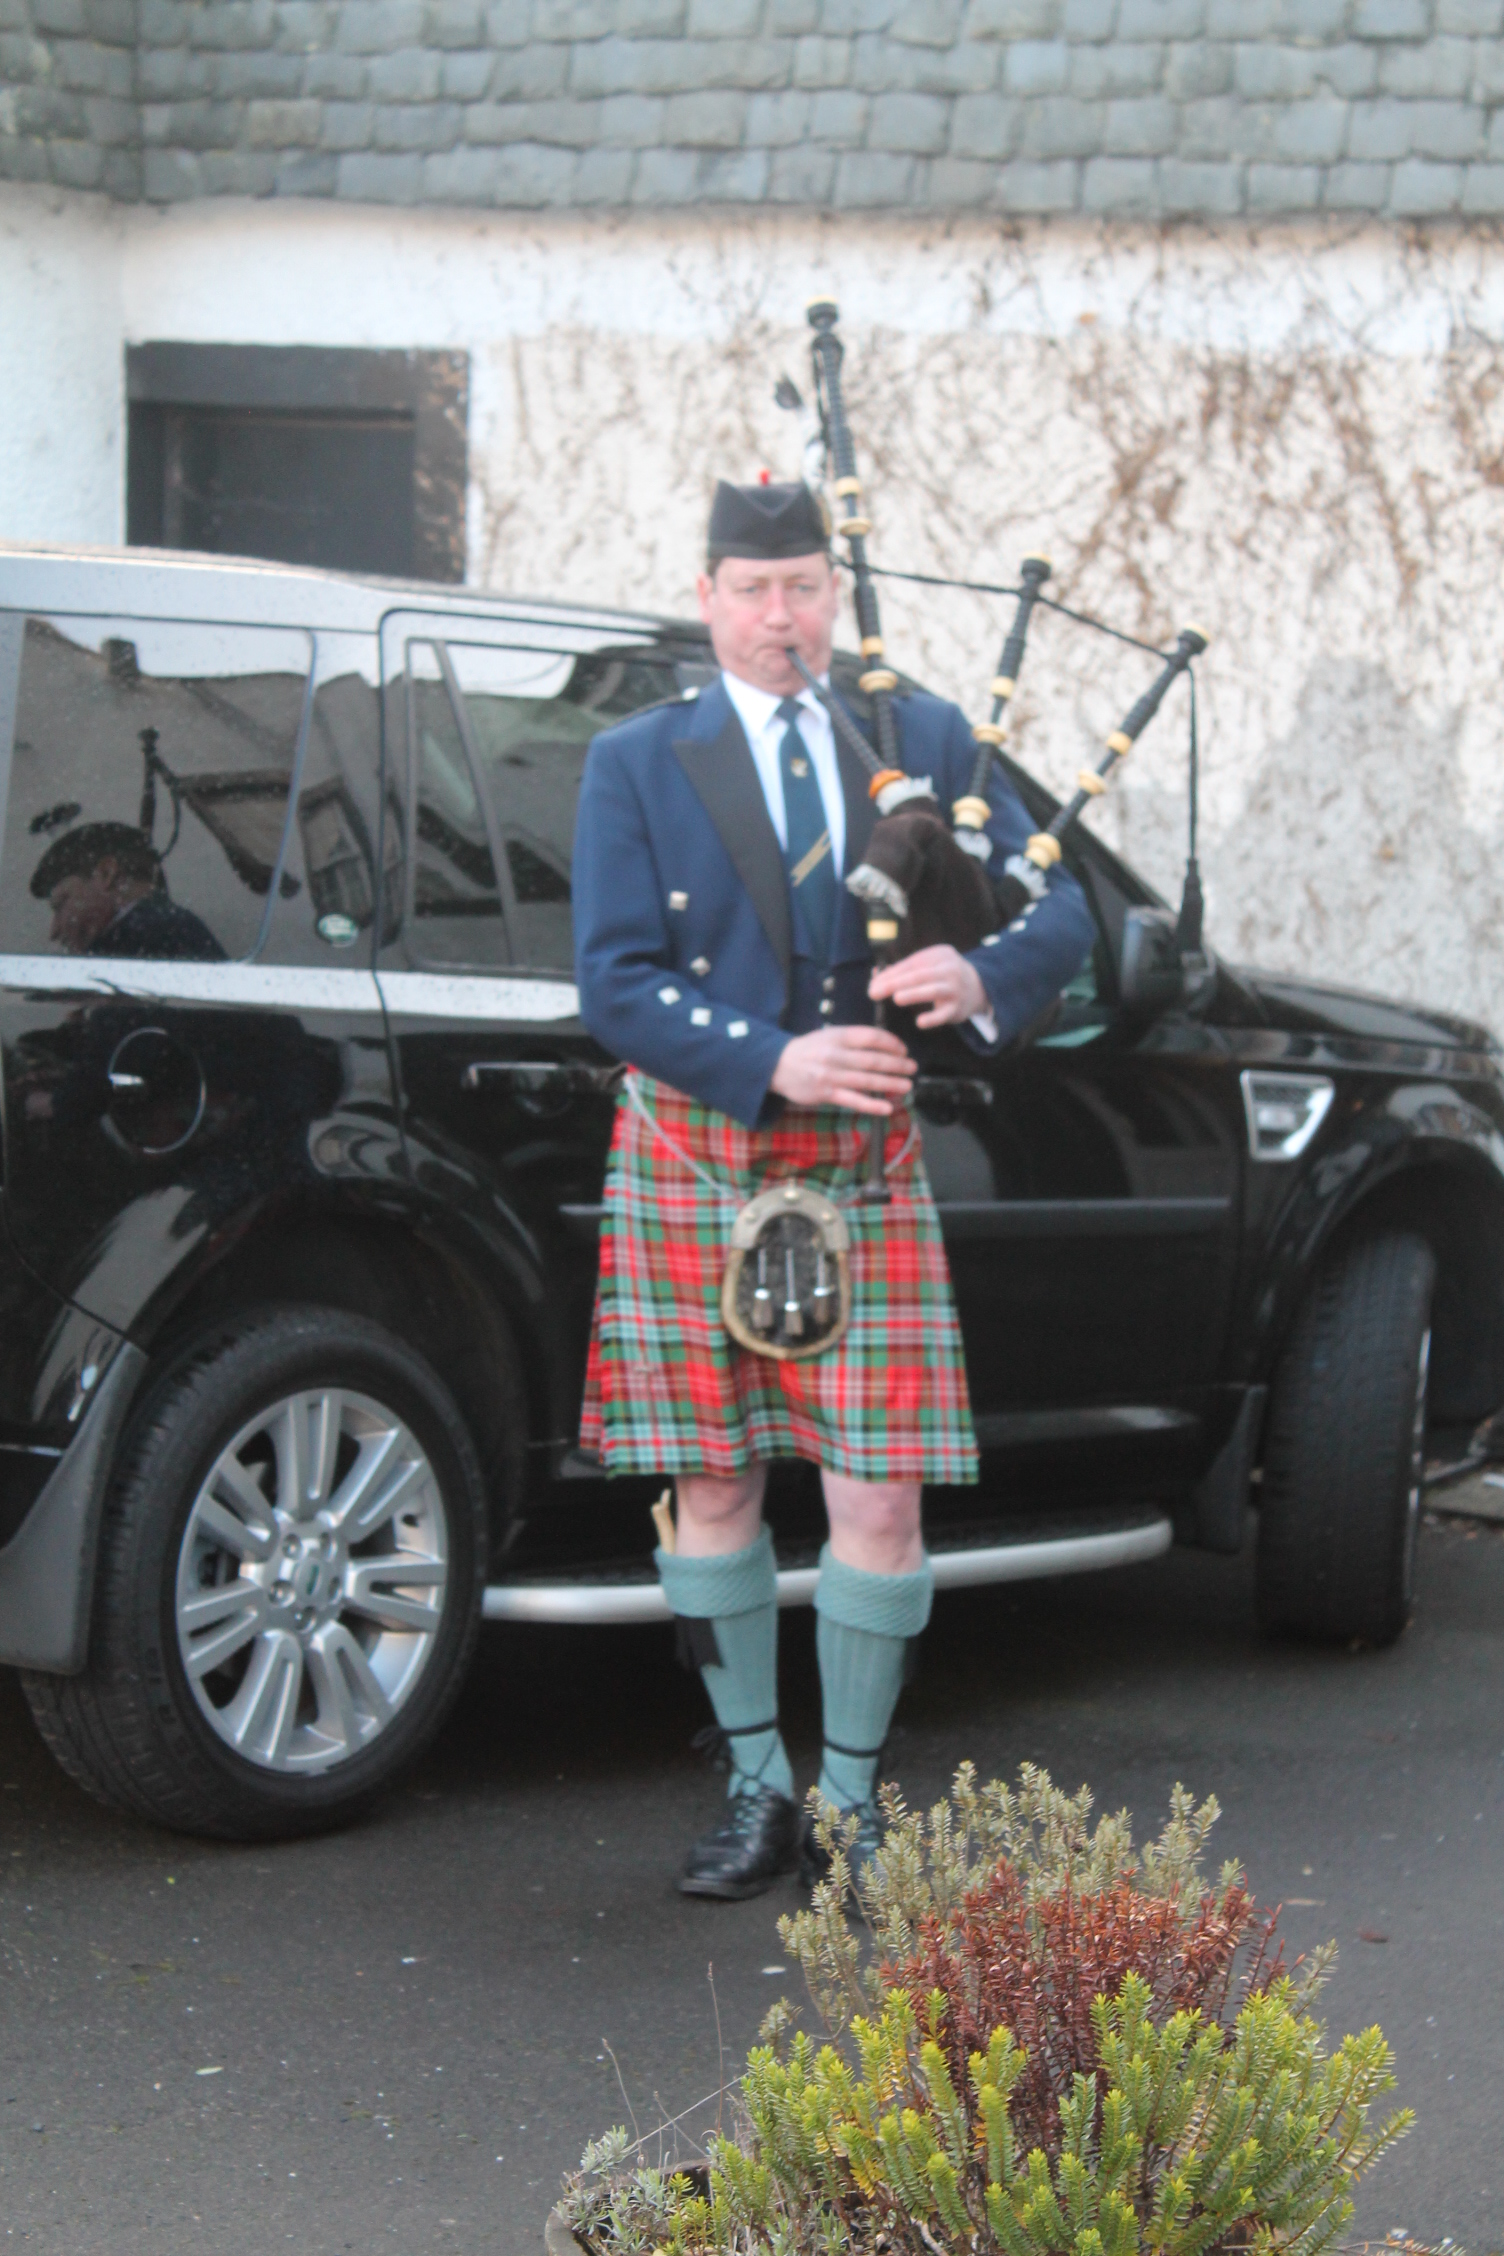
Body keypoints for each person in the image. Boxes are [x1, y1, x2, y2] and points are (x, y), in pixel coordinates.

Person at [572, 479, 1095, 1900]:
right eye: (752, 590)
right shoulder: (638, 759)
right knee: (714, 1479)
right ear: (707, 598)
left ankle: (853, 1807)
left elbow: (1060, 902)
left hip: (863, 1165)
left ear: (834, 593)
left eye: (804, 586)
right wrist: (776, 1058)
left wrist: (983, 970)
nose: (780, 616)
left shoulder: (918, 734)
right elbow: (613, 978)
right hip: (699, 1149)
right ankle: (756, 1788)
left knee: (878, 1502)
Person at [29, 822, 226, 962]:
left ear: (106, 873)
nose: (54, 931)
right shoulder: (173, 928)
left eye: (61, 903)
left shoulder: (137, 939)